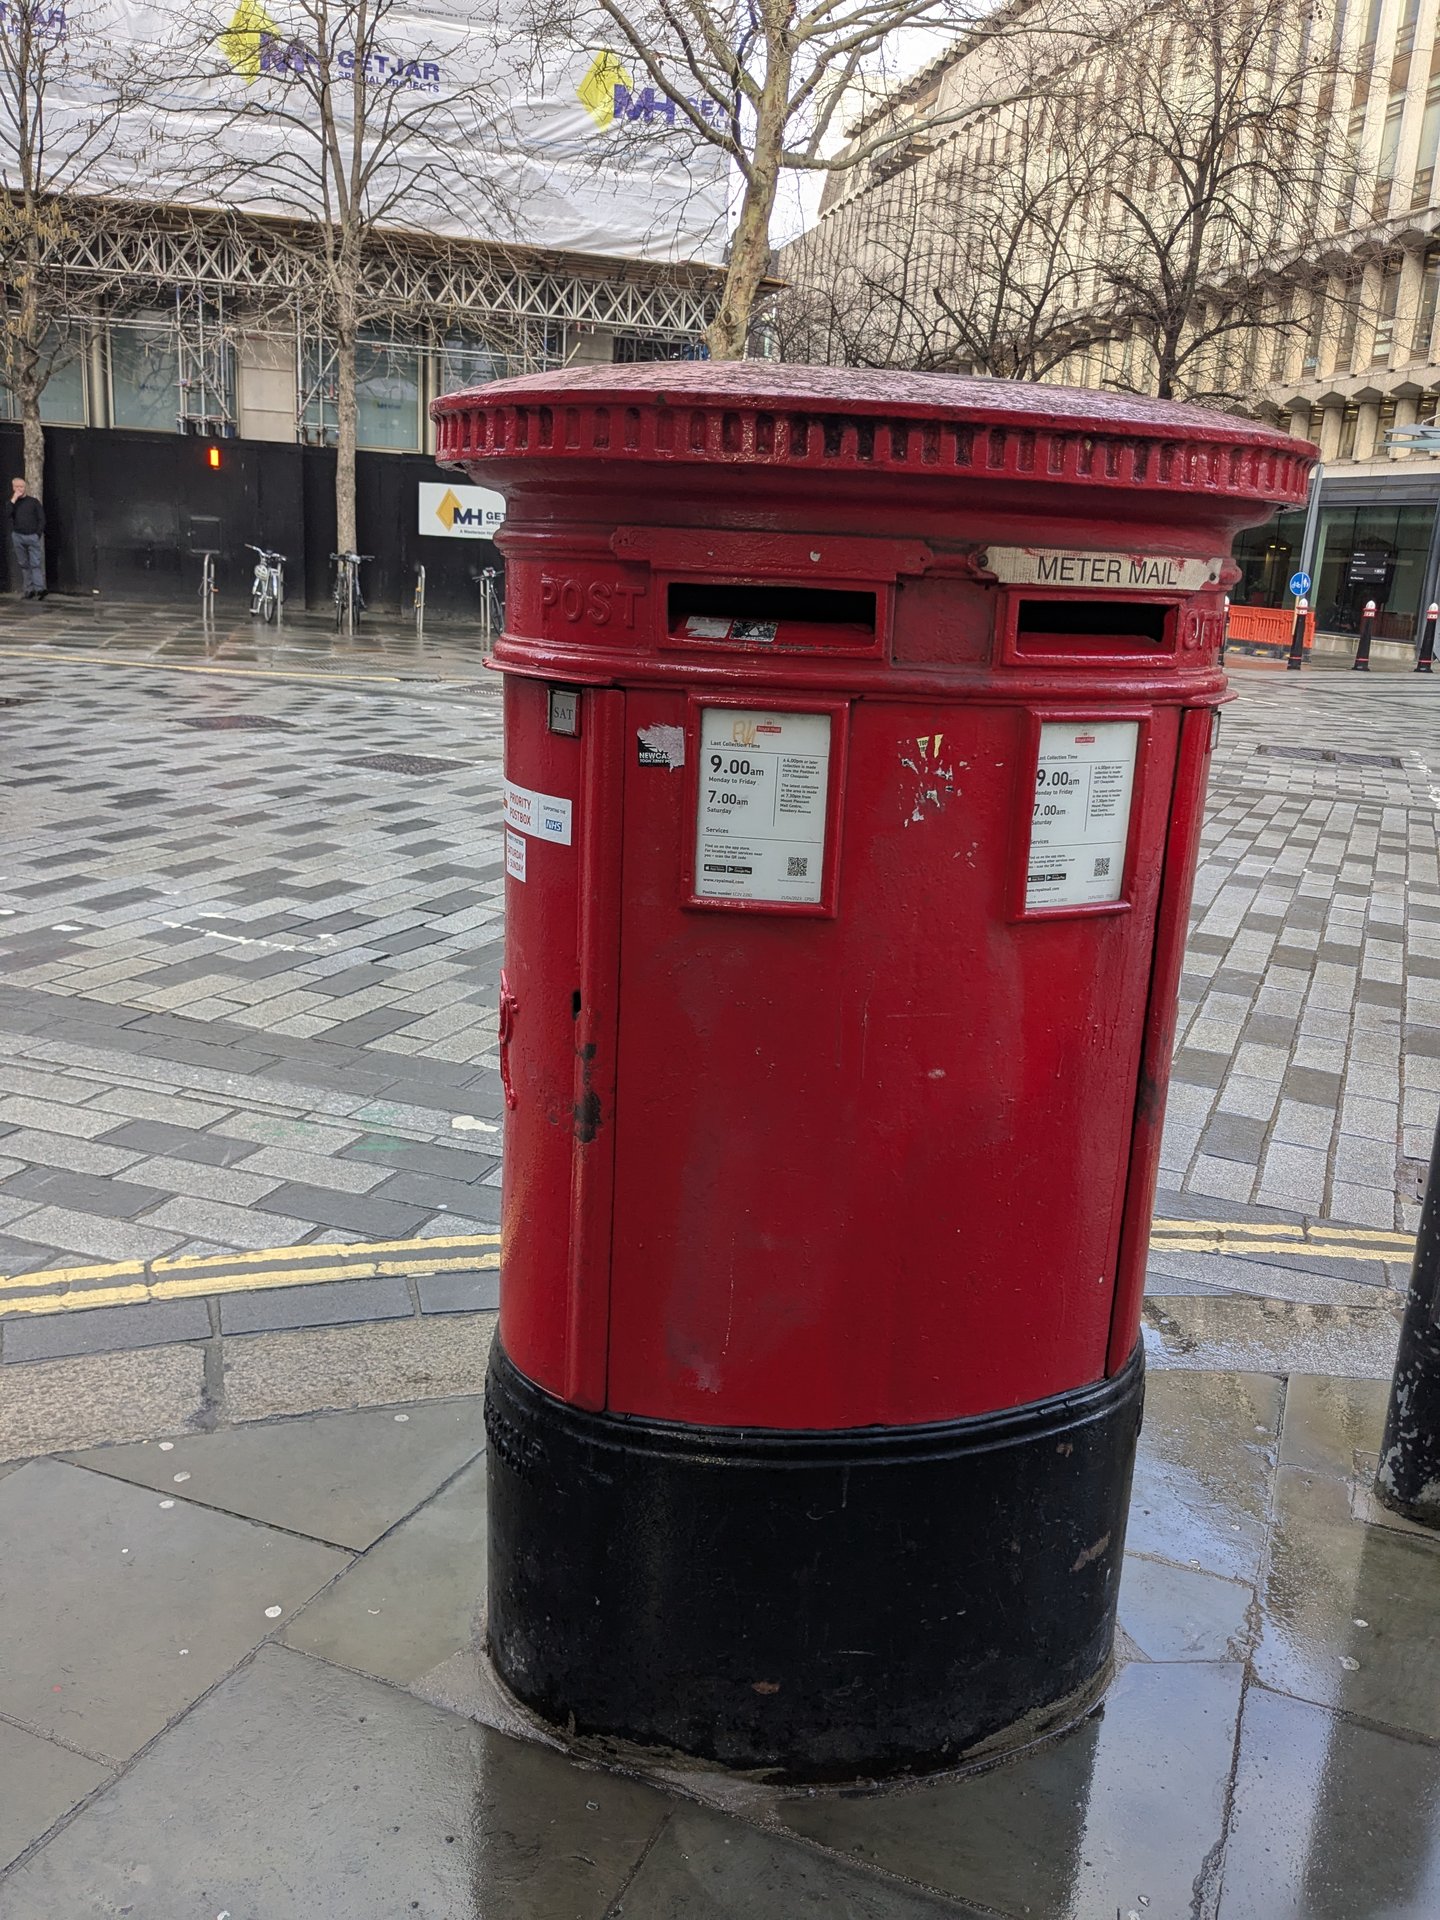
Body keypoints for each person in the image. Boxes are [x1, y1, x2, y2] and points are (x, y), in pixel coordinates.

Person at [8, 478, 46, 600]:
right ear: (13, 488)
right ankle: (28, 590)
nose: (19, 489)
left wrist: (37, 534)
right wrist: (13, 499)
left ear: (25, 488)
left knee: (35, 563)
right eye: (17, 487)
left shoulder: (33, 502)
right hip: (18, 536)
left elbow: (42, 519)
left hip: (32, 536)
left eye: (22, 487)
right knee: (24, 564)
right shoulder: (12, 503)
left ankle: (39, 589)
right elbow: (7, 514)